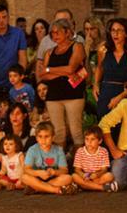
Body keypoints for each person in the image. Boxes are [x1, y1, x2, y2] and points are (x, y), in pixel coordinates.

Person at [37, 18, 88, 152]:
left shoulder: (77, 46)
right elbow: (42, 74)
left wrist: (50, 69)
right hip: (53, 95)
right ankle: (61, 163)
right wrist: (62, 72)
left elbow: (71, 68)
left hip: (73, 94)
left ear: (67, 32)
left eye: (58, 32)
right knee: (58, 133)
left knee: (76, 131)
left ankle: (79, 165)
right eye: (52, 33)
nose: (55, 35)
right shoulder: (49, 52)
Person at [94, 19, 127, 122]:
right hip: (105, 92)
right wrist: (95, 84)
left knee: (122, 129)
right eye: (113, 30)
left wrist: (119, 97)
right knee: (104, 126)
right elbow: (100, 67)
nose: (115, 33)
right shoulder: (103, 49)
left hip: (125, 93)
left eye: (119, 30)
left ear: (126, 33)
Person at [20, 122, 73, 194]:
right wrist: (38, 173)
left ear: (53, 137)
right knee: (24, 177)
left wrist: (54, 172)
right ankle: (56, 190)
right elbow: (26, 169)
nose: (43, 140)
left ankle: (37, 188)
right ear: (36, 138)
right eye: (40, 136)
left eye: (47, 136)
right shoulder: (32, 150)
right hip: (37, 177)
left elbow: (64, 170)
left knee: (68, 178)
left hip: (52, 178)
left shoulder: (58, 150)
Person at [71, 126, 116, 192]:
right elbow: (77, 169)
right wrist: (83, 175)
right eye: (87, 139)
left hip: (97, 177)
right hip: (85, 177)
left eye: (92, 139)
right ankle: (101, 187)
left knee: (109, 176)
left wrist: (96, 175)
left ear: (100, 141)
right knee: (74, 176)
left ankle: (85, 186)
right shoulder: (80, 151)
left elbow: (104, 169)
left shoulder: (103, 151)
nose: (89, 142)